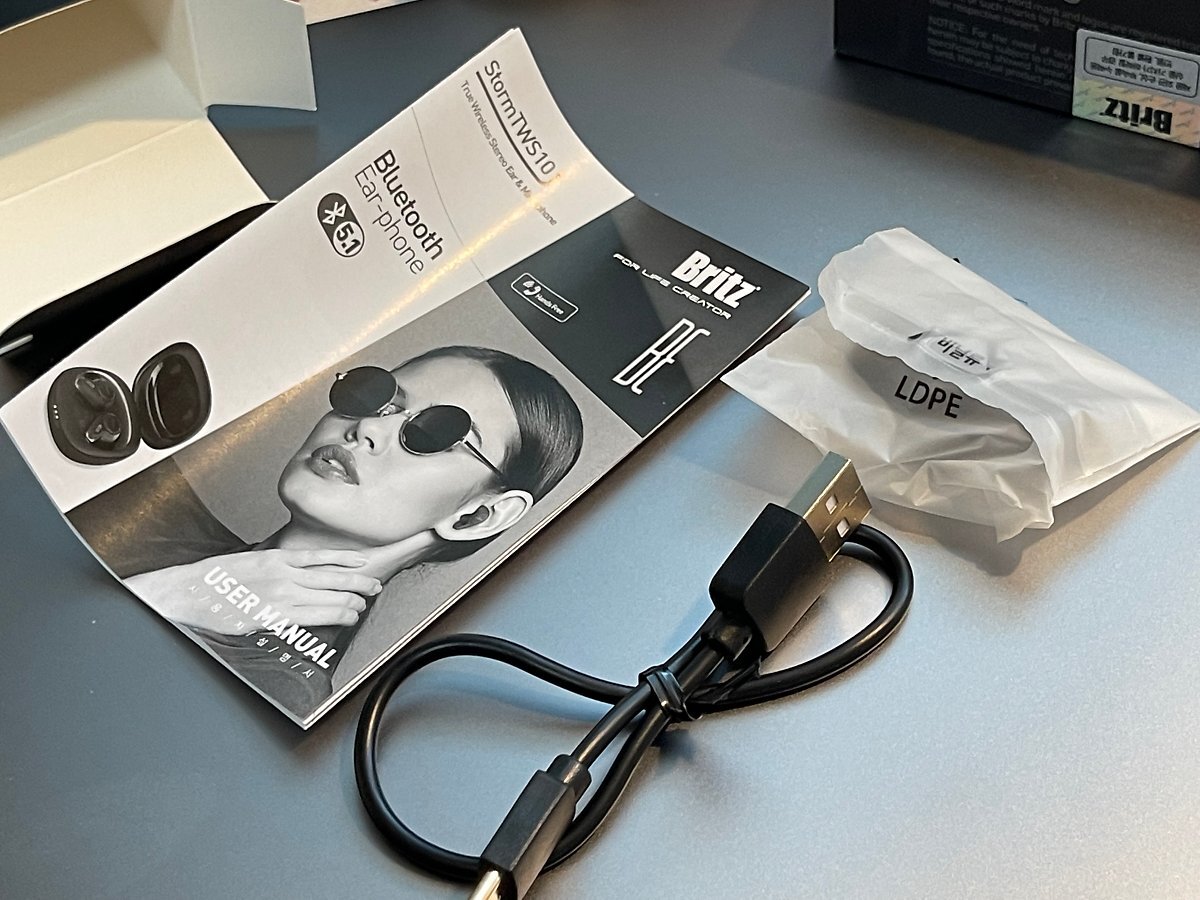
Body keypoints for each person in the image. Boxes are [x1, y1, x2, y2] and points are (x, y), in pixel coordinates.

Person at [82, 345, 584, 715]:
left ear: (477, 515)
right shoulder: (141, 505)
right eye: (377, 396)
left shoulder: (280, 693)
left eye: (434, 433)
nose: (369, 427)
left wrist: (179, 597)